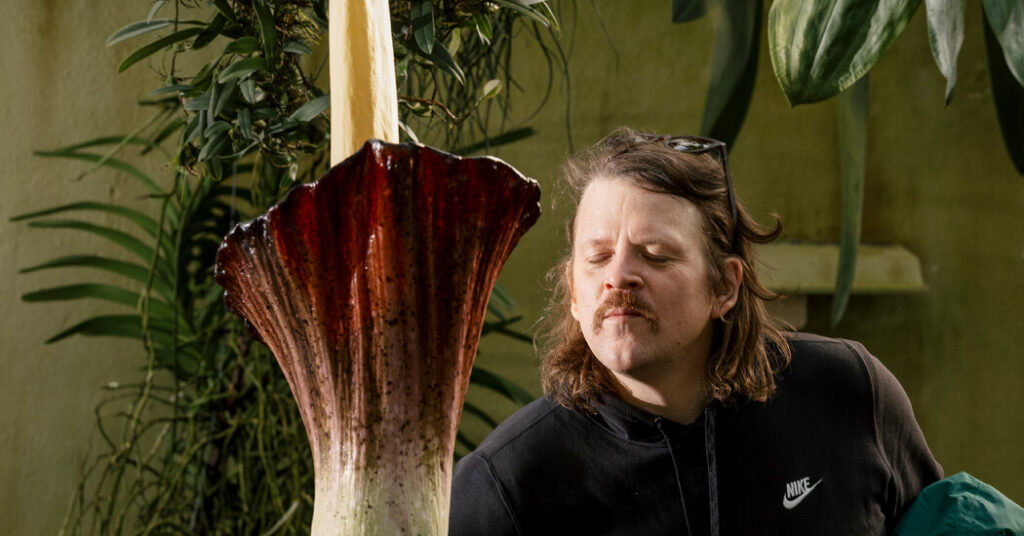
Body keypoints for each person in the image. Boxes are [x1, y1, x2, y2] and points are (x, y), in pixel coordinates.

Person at [448, 128, 943, 536]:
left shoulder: (850, 393)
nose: (618, 275)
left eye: (656, 254)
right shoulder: (504, 485)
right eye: (597, 257)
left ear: (724, 286)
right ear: (574, 295)